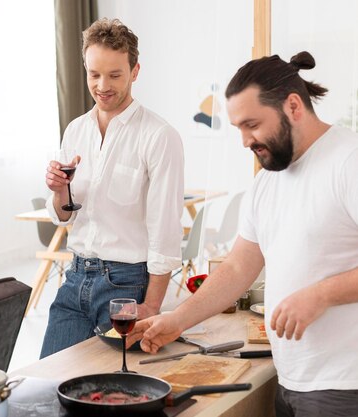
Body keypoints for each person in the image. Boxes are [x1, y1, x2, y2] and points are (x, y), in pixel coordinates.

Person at [129, 52, 358, 417]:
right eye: (238, 128)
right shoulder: (267, 181)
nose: (245, 141)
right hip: (292, 381)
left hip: (345, 385)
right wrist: (178, 319)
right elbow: (238, 267)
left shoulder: (348, 160)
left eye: (252, 124)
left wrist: (322, 294)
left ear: (293, 106)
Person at [40, 18, 185, 358]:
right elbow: (64, 218)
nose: (102, 85)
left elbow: (165, 230)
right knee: (47, 385)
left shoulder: (159, 136)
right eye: (94, 74)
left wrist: (152, 305)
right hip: (74, 279)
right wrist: (59, 190)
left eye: (115, 75)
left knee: (118, 394)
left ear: (135, 71)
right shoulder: (75, 130)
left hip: (126, 286)